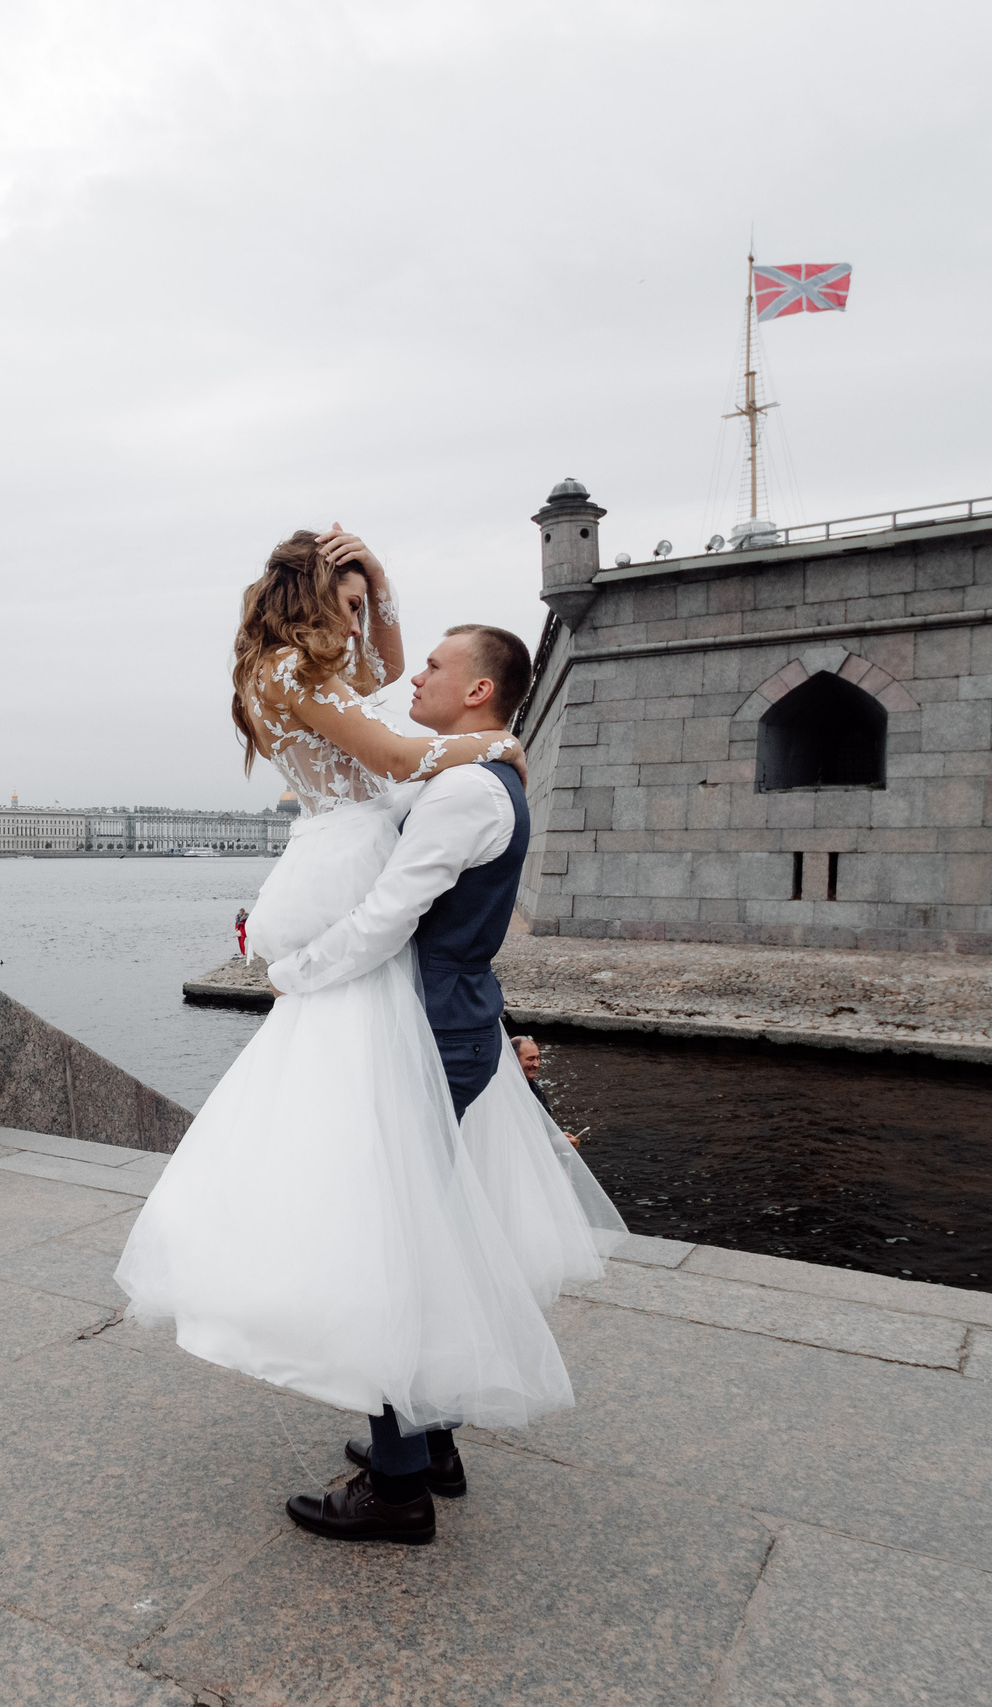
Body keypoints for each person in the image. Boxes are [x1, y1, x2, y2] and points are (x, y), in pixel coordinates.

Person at [116, 528, 574, 1549]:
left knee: (379, 1211)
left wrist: (385, 589)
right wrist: (493, 742)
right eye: (349, 605)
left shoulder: (330, 681)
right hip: (370, 901)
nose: (370, 634)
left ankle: (405, 1468)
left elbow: (395, 698)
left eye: (370, 610)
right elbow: (401, 747)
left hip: (380, 925)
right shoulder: (297, 677)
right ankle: (422, 1440)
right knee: (395, 1204)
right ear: (309, 599)